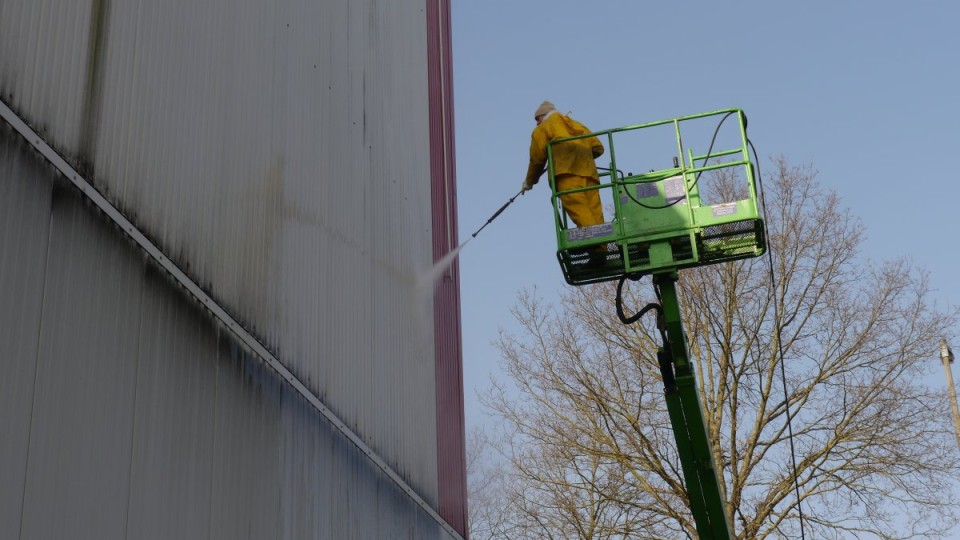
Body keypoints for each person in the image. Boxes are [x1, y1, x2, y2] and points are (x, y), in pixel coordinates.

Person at [522, 100, 605, 228]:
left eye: (537, 119)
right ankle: (607, 245)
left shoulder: (543, 128)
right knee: (595, 213)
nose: (537, 123)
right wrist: (581, 155)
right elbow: (598, 148)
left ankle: (601, 246)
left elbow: (537, 159)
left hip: (565, 175)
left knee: (581, 213)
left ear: (543, 116)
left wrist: (529, 182)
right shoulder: (576, 125)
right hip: (590, 175)